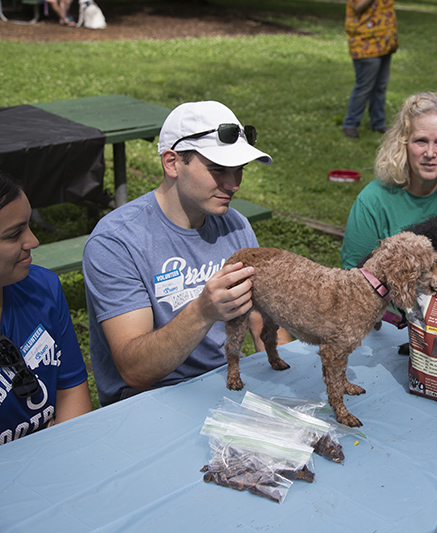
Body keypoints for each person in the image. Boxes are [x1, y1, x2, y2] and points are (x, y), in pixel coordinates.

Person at [83, 101, 275, 407]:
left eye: (239, 170)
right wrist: (201, 312)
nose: (234, 184)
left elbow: (262, 316)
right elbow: (135, 371)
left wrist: (282, 378)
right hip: (146, 402)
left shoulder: (235, 226)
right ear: (172, 163)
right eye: (218, 169)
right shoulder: (116, 242)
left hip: (222, 386)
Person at [340, 91, 437, 270]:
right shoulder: (372, 201)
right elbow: (354, 277)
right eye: (421, 141)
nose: (429, 153)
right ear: (403, 143)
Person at [0, 171, 92, 444]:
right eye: (14, 234)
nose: (33, 242)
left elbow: (72, 395)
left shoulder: (42, 288)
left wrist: (59, 448)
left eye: (28, 226)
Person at [342, 0, 398, 139]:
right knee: (364, 86)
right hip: (366, 43)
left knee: (380, 86)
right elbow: (357, 7)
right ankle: (350, 124)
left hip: (385, 42)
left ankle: (378, 123)